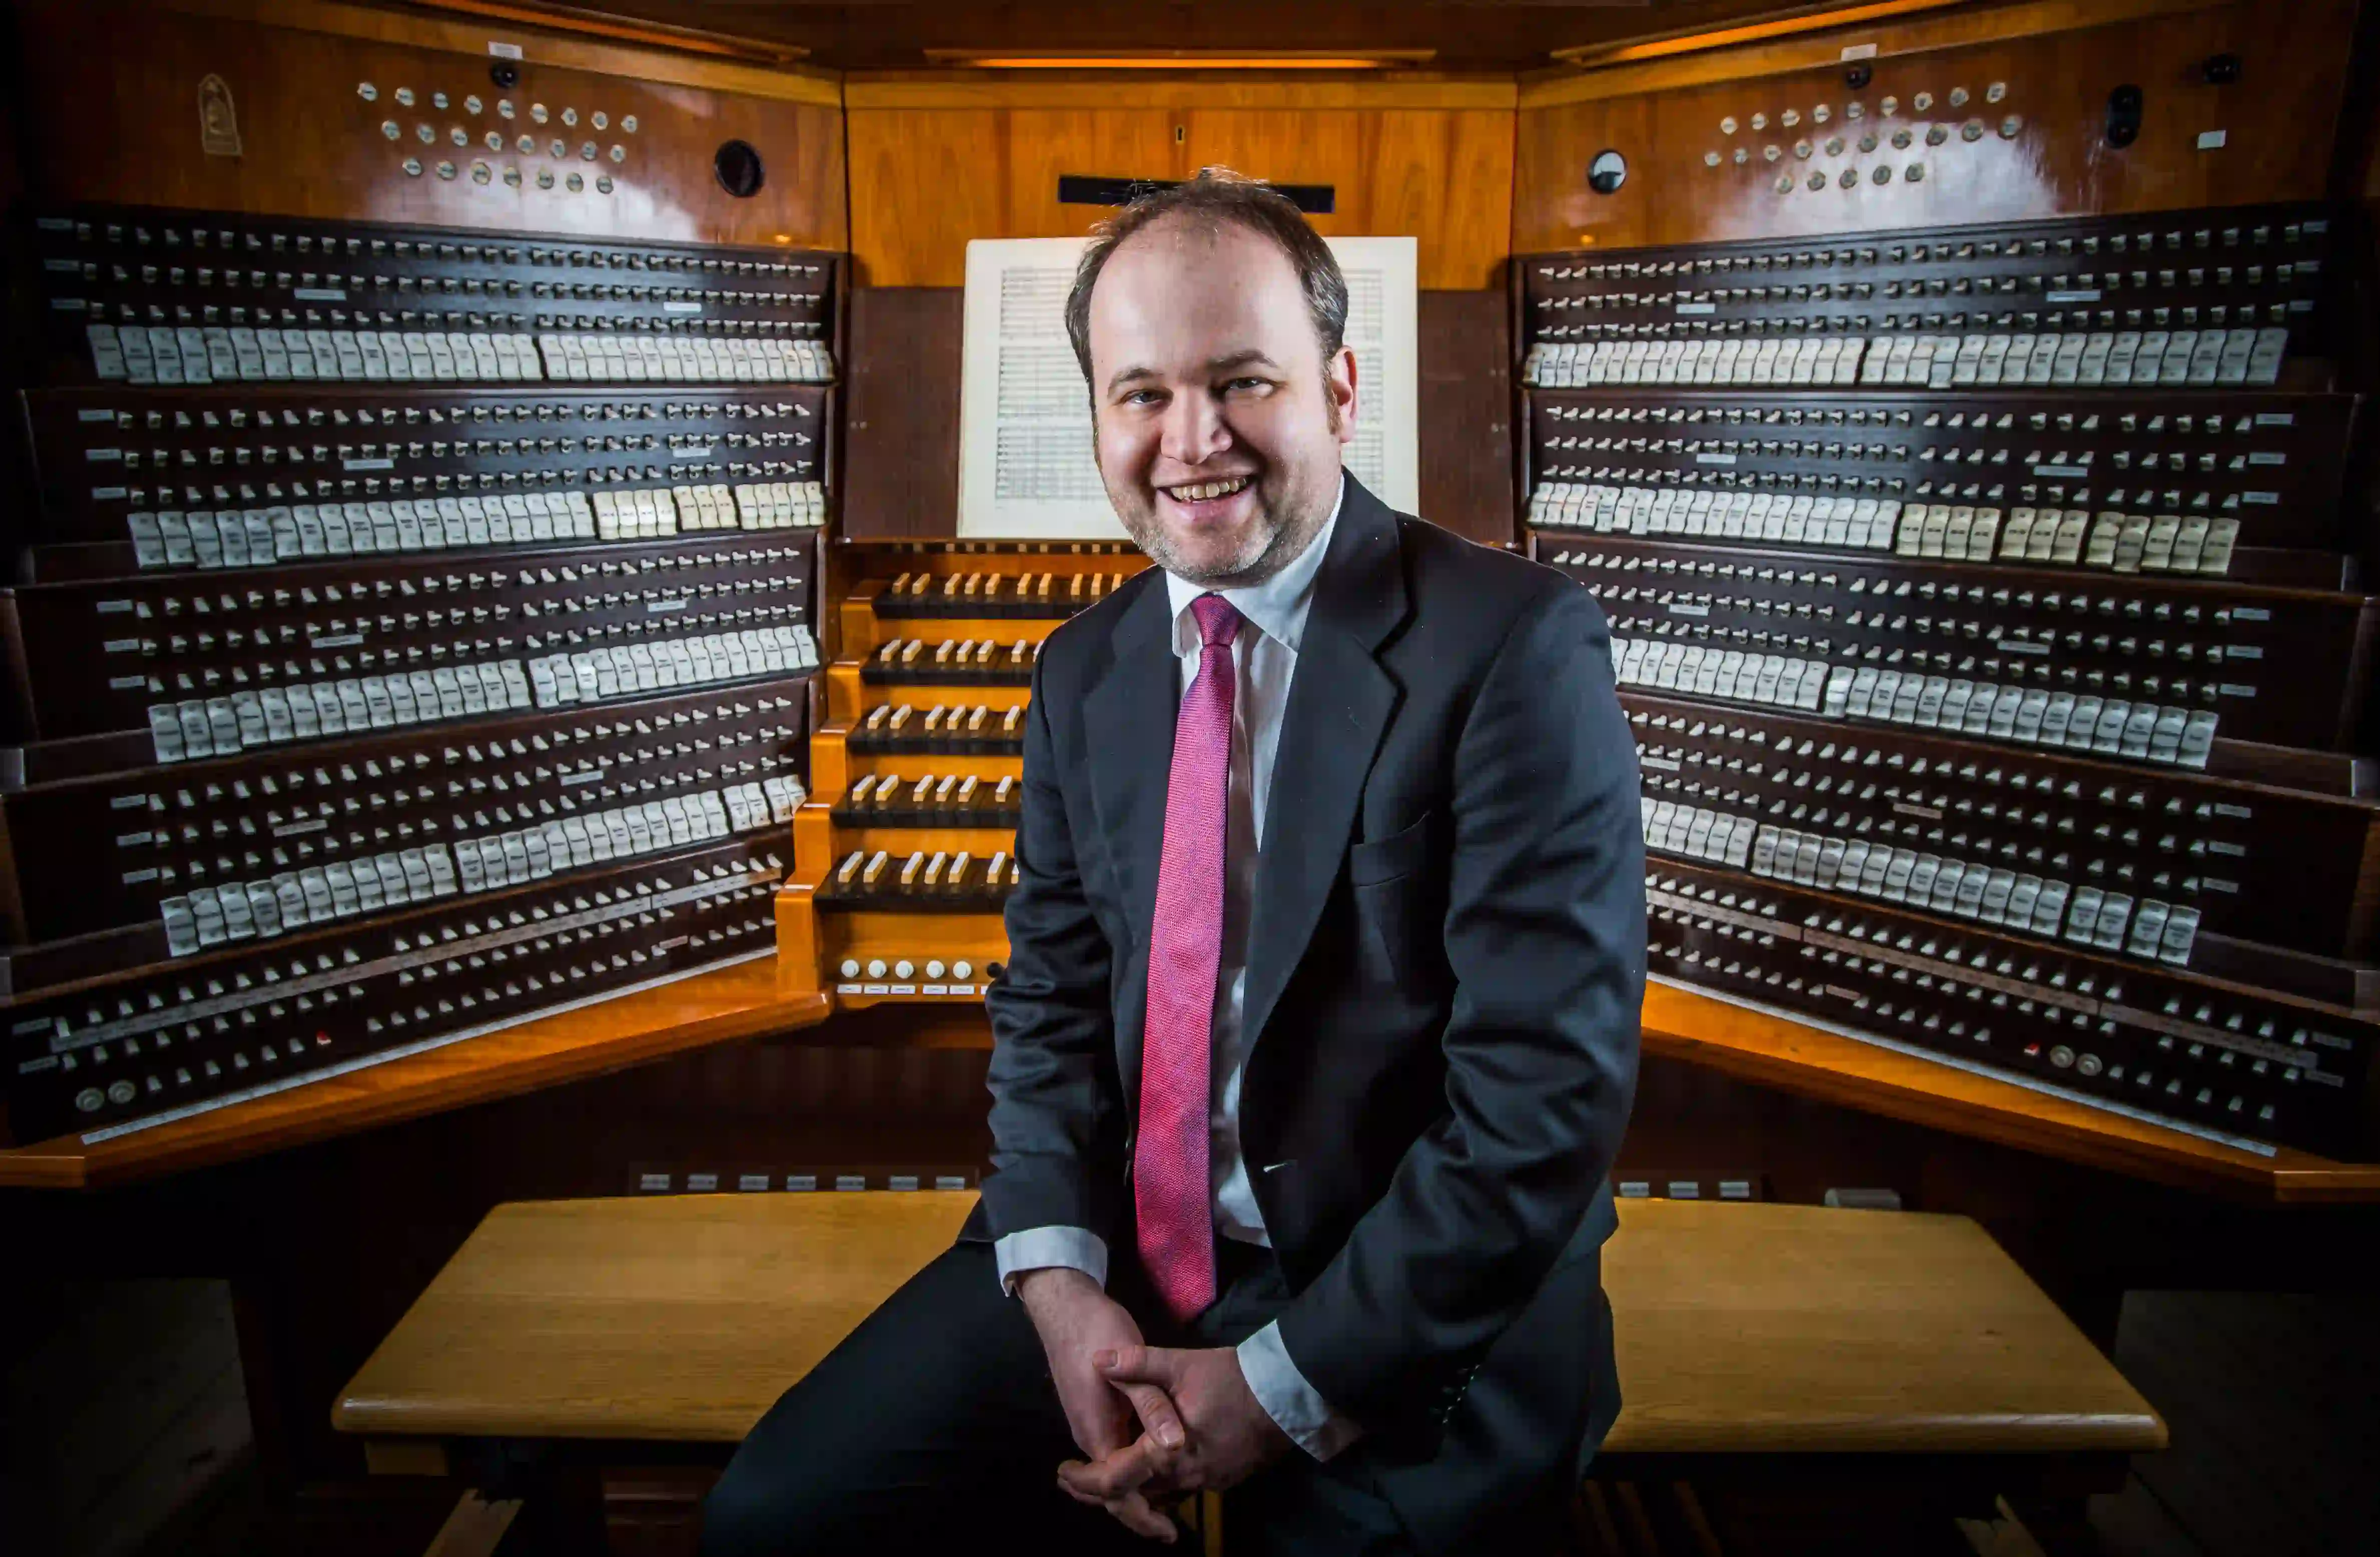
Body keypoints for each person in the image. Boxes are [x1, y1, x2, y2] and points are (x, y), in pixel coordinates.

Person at [702, 168, 1644, 1557]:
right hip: (1129, 1251)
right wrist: (1058, 1283)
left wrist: (1281, 1383)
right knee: (772, 1521)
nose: (1191, 441)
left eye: (1242, 381)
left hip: (1397, 1289)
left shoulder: (1514, 647)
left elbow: (1541, 1102)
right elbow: (1049, 1005)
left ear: (1339, 390)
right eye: (1141, 393)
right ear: (1096, 415)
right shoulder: (1085, 667)